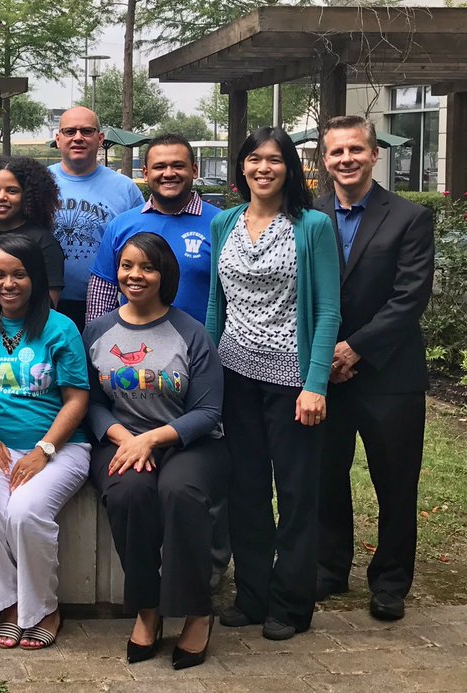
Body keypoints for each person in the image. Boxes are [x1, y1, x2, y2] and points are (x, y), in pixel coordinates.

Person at [207, 127, 340, 641]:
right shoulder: (225, 222)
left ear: (291, 168)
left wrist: (316, 384)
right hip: (235, 374)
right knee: (246, 492)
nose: (264, 168)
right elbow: (218, 304)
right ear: (241, 167)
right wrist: (209, 372)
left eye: (275, 160)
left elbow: (328, 310)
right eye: (254, 159)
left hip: (292, 378)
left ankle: (290, 603)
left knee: (297, 493)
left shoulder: (312, 227)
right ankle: (252, 595)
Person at [85, 233, 227, 669]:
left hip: (189, 442)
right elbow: (88, 401)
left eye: (147, 267)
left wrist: (152, 438)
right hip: (121, 444)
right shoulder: (97, 331)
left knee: (180, 494)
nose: (135, 275)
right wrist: (124, 438)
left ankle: (197, 612)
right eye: (127, 266)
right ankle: (148, 611)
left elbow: (208, 410)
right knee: (130, 494)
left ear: (164, 274)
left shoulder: (191, 332)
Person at [316, 115, 434, 621]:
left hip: (390, 375)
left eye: (355, 150)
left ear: (373, 154)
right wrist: (325, 357)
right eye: (336, 152)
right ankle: (328, 567)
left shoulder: (408, 217)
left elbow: (410, 298)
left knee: (395, 480)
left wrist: (354, 349)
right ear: (325, 159)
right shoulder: (309, 215)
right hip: (324, 375)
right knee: (325, 474)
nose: (346, 159)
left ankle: (389, 582)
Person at [0, 234, 91, 651]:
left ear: (35, 277)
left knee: (26, 511)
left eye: (18, 274)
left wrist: (43, 451)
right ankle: (11, 605)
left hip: (59, 447)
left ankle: (45, 608)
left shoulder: (60, 327)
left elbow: (78, 399)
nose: (8, 284)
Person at [86, 134, 220, 325]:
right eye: (159, 167)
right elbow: (101, 297)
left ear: (194, 170)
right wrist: (96, 343)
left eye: (178, 165)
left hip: (199, 349)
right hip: (134, 349)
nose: (169, 173)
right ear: (146, 173)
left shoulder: (220, 225)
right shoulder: (121, 226)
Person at [48, 107, 144, 329]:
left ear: (100, 138)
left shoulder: (125, 188)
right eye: (70, 131)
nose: (78, 138)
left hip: (107, 305)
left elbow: (143, 244)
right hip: (44, 304)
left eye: (87, 131)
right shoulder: (37, 182)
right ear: (58, 139)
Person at [0, 156, 65, 334]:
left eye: (12, 191)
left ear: (28, 196)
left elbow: (48, 306)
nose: (1, 197)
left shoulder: (43, 242)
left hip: (24, 344)